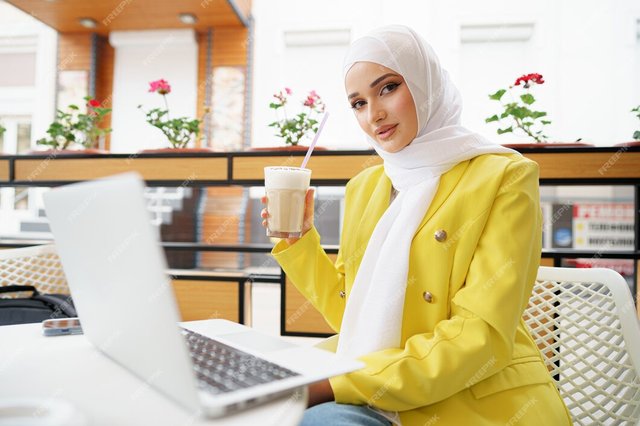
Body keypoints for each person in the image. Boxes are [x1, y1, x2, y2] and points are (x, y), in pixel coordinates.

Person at [261, 25, 572, 426]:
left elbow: (480, 338)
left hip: (469, 401)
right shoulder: (366, 187)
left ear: (425, 83)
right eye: (357, 103)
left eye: (387, 88)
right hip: (377, 382)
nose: (373, 115)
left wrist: (337, 384)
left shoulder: (503, 178)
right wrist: (300, 242)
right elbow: (353, 313)